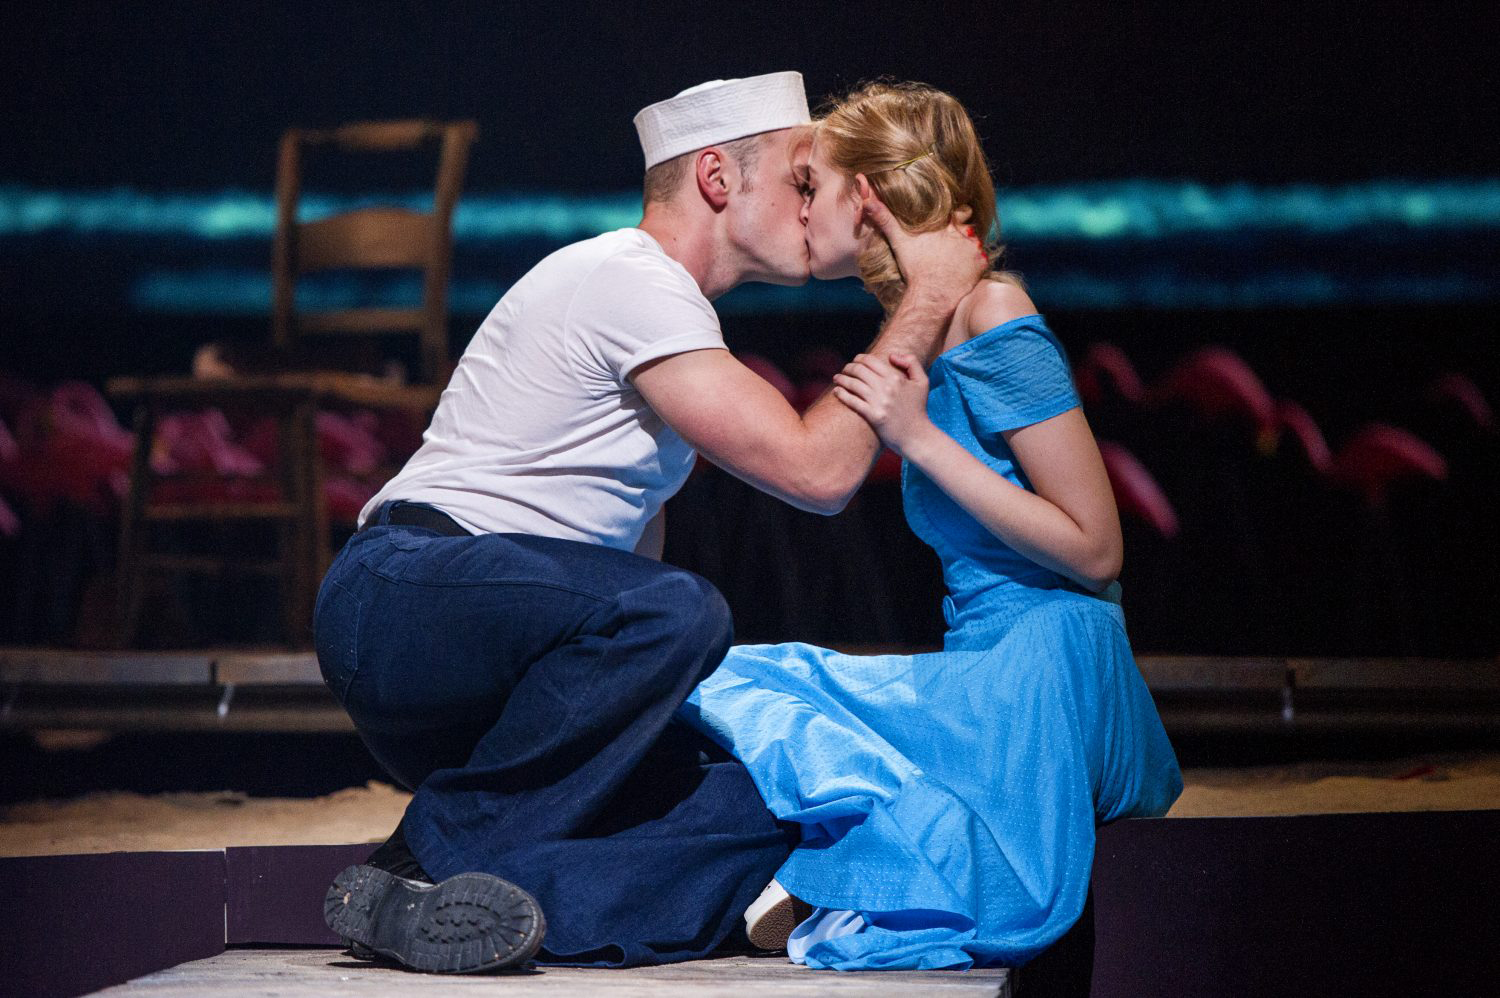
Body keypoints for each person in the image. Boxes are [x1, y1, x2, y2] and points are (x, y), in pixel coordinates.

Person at [315, 72, 989, 973]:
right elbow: (818, 472)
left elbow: (622, 564)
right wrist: (924, 299)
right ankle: (420, 860)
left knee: (761, 806)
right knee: (678, 609)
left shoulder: (673, 325)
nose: (810, 205)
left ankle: (452, 903)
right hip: (406, 599)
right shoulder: (626, 277)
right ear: (717, 178)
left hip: (509, 680)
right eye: (799, 181)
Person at [679, 81, 1183, 971]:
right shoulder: (917, 327)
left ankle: (853, 874)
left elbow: (1097, 548)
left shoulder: (992, 310)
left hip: (1049, 666)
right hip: (983, 664)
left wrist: (917, 438)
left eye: (812, 187)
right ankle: (844, 868)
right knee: (711, 679)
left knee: (745, 683)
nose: (801, 211)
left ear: (867, 195)